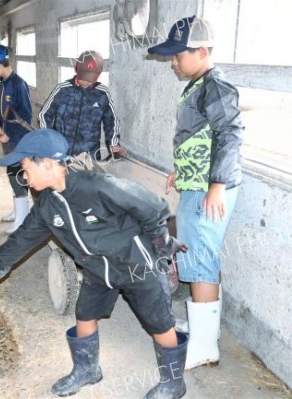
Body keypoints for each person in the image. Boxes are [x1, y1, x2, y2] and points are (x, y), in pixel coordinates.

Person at [0, 128, 189, 398]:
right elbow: (20, 241)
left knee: (159, 323)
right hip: (96, 269)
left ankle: (174, 382)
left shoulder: (97, 186)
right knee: (84, 315)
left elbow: (154, 207)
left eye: (24, 166)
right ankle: (87, 370)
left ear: (47, 163)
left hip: (134, 264)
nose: (22, 175)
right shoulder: (47, 205)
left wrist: (161, 243)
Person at [148, 16, 244, 371]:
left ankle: (204, 347)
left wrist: (217, 185)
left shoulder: (216, 87)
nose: (174, 62)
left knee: (201, 262)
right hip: (197, 184)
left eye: (178, 55)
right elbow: (200, 138)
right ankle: (203, 330)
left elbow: (230, 136)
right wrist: (182, 169)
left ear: (202, 51)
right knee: (196, 258)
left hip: (209, 190)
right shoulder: (198, 84)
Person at [0, 44, 33, 234]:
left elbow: (26, 116)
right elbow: (2, 112)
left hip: (18, 140)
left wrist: (9, 134)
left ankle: (22, 218)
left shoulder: (19, 84)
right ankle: (17, 210)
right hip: (7, 139)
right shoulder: (3, 84)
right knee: (12, 175)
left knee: (18, 176)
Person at [38, 50, 127, 163]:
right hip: (61, 152)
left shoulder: (102, 93)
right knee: (60, 180)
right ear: (77, 70)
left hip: (89, 155)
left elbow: (112, 121)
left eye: (90, 80)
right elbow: (44, 114)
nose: (85, 82)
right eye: (83, 78)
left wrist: (114, 144)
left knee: (88, 180)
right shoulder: (62, 89)